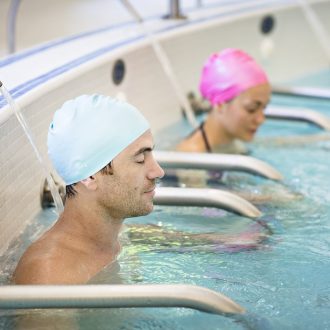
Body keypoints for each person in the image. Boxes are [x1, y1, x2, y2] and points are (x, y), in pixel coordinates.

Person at [13, 94, 165, 284]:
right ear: (90, 176)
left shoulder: (113, 240)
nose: (158, 172)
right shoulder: (51, 276)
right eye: (140, 159)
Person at [176, 48, 271, 154]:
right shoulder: (192, 158)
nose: (261, 119)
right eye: (251, 109)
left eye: (264, 108)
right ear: (220, 104)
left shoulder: (233, 141)